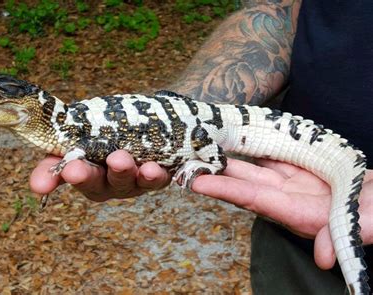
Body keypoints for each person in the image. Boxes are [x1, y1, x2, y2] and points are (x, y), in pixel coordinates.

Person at [30, 1, 373, 293]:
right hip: (293, 237)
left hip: (296, 184)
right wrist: (174, 113)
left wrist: (207, 154)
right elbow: (275, 13)